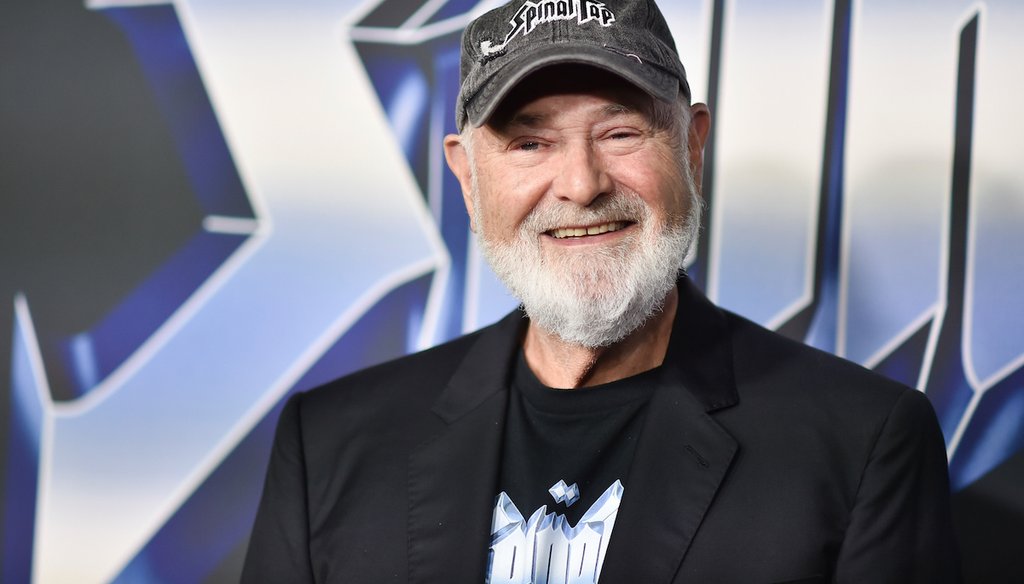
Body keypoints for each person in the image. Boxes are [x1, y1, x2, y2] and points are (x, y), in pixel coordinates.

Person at [242, 0, 961, 582]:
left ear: (692, 148)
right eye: (530, 143)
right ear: (466, 176)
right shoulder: (329, 445)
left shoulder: (862, 443)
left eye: (620, 133)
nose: (582, 185)